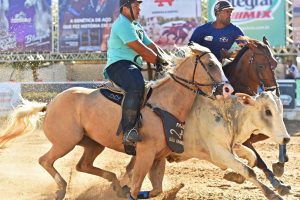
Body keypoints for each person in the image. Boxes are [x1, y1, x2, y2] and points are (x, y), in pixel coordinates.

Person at [103, 0, 168, 145]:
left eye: (139, 5)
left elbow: (151, 45)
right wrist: (158, 61)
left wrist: (167, 59)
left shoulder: (135, 25)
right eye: (135, 6)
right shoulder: (122, 25)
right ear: (125, 8)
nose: (139, 8)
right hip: (118, 66)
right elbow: (141, 49)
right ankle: (129, 130)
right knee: (135, 84)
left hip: (131, 66)